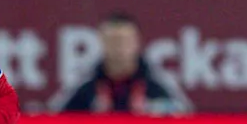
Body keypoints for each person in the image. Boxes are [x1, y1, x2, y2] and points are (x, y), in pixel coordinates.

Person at [49, 12, 192, 116]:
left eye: (124, 40)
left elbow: (186, 119)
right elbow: (54, 121)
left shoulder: (158, 84)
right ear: (102, 42)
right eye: (113, 40)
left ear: (136, 42)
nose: (119, 47)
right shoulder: (85, 85)